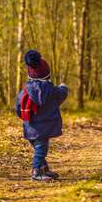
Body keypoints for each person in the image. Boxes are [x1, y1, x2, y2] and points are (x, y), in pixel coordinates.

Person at [15, 50, 68, 182]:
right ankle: (36, 173)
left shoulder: (24, 92)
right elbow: (63, 94)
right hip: (44, 130)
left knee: (39, 149)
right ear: (48, 75)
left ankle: (44, 169)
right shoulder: (54, 92)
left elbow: (18, 108)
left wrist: (26, 120)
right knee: (41, 151)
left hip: (30, 127)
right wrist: (64, 86)